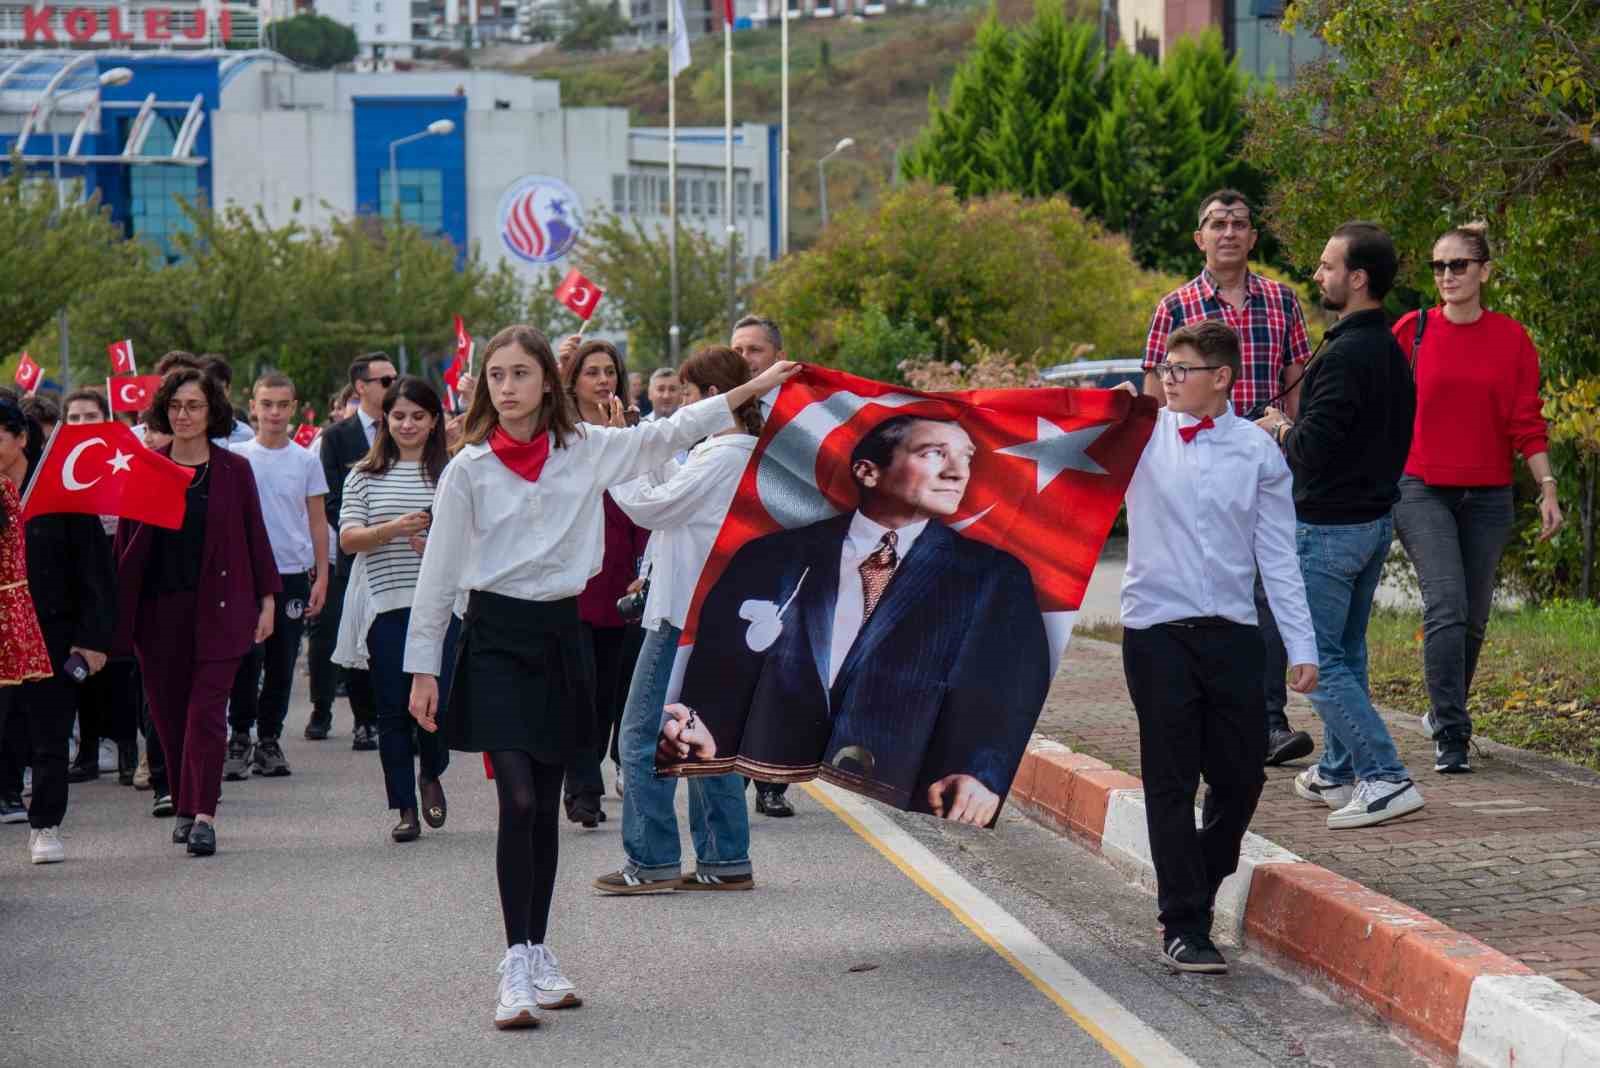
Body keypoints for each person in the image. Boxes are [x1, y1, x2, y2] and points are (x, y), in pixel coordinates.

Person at [403, 324, 796, 1030]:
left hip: (560, 636)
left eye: (521, 374)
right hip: (493, 637)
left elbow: (670, 433)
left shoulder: (585, 451)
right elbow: (437, 574)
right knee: (517, 800)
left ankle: (540, 948)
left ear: (545, 384)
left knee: (547, 801)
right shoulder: (469, 469)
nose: (508, 388)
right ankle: (514, 963)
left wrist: (752, 389)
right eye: (496, 376)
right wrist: (422, 666)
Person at [660, 415, 1050, 825]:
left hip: (908, 782)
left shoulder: (992, 575)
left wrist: (980, 774)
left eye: (965, 458)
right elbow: (718, 671)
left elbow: (1010, 690)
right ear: (867, 471)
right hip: (774, 751)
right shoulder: (771, 557)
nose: (957, 472)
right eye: (934, 453)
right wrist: (697, 728)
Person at [1115, 321, 1318, 974]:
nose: (1167, 379)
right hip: (1155, 633)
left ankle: (1200, 876)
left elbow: (1278, 556)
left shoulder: (1257, 453)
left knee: (1240, 775)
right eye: (1165, 368)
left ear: (1222, 378)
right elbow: (1059, 446)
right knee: (1170, 778)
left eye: (1181, 369)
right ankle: (1184, 922)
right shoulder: (1141, 437)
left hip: (1233, 635)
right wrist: (1107, 412)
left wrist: (1300, 644)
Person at [1255, 221, 1422, 830]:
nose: (1318, 276)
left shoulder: (1350, 354)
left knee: (1318, 661)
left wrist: (1276, 429)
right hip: (1369, 524)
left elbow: (1312, 450)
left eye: (1327, 267)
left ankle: (1385, 775)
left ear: (1357, 279)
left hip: (1327, 529)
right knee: (1346, 652)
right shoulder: (1384, 347)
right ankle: (1338, 768)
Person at [1143, 189, 1318, 769]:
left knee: (1267, 582)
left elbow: (1296, 379)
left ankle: (1267, 719)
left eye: (1239, 223)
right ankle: (1199, 708)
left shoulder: (1282, 301)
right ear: (1200, 237)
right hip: (1192, 464)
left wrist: (1285, 428)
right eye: (1216, 223)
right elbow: (1155, 399)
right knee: (1206, 583)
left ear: (1252, 237)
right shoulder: (1174, 306)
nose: (1228, 233)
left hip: (1258, 459)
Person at [1392, 226, 1563, 773]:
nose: (1447, 276)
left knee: (1473, 616)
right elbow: (1378, 402)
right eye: (1439, 266)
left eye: (1459, 265)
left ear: (1484, 271)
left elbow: (1526, 421)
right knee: (1446, 603)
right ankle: (1452, 732)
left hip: (1488, 492)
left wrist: (1547, 488)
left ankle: (1443, 709)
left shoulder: (1512, 338)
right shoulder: (1411, 331)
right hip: (1419, 487)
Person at [593, 346, 763, 895]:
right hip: (709, 612)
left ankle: (651, 861)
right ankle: (724, 859)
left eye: (688, 396)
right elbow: (674, 488)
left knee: (644, 735)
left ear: (713, 399)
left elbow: (655, 508)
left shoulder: (725, 453)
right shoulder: (732, 449)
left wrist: (620, 459)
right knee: (706, 735)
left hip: (682, 615)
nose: (681, 408)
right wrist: (636, 443)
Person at [113, 367, 280, 857]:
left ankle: (204, 814)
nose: (183, 415)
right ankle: (185, 805)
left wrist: (268, 600)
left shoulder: (234, 470)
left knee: (207, 714)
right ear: (164, 409)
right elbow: (126, 546)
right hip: (159, 614)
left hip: (223, 609)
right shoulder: (148, 466)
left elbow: (255, 536)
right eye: (176, 406)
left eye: (194, 406)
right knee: (168, 716)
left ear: (212, 412)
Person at [335, 376, 457, 842]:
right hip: (386, 606)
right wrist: (392, 529)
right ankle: (404, 805)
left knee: (436, 708)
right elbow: (349, 539)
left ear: (433, 421)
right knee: (391, 710)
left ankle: (432, 771)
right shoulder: (363, 474)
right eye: (399, 415)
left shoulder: (452, 472)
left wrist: (438, 545)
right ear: (385, 419)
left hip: (443, 607)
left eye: (418, 416)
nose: (407, 424)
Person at [224, 373, 330, 781]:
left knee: (282, 662)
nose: (273, 413)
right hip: (244, 576)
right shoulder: (237, 456)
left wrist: (321, 577)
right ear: (253, 406)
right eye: (266, 404)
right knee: (245, 660)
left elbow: (317, 522)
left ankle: (269, 739)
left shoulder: (305, 460)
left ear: (293, 408)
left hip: (290, 575)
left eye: (282, 405)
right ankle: (239, 736)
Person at [561, 340, 649, 828]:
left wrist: (644, 561)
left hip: (620, 581)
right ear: (572, 380)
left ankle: (591, 769)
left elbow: (644, 504)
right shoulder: (560, 438)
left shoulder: (631, 435)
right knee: (579, 687)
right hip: (572, 582)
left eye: (609, 372)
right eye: (591, 371)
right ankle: (583, 788)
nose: (602, 380)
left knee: (610, 691)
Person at [726, 313, 796, 817]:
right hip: (731, 559)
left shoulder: (799, 414)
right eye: (738, 350)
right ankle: (731, 769)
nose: (745, 359)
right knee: (737, 669)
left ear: (776, 356)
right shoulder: (717, 410)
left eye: (754, 350)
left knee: (781, 671)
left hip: (787, 554)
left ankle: (772, 779)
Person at [309, 354, 394, 747]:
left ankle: (397, 715)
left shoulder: (403, 429)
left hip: (402, 552)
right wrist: (367, 528)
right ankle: (364, 719)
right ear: (362, 387)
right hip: (354, 554)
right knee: (360, 636)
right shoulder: (337, 437)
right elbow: (329, 500)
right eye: (385, 380)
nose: (393, 385)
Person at [59, 389, 141, 788]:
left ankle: (128, 749)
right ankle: (88, 750)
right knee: (82, 661)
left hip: (119, 561)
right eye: (73, 418)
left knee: (121, 664)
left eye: (90, 416)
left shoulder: (124, 460)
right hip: (74, 572)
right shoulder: (56, 464)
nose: (81, 424)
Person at [0, 394, 61, 856]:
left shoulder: (51, 488)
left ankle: (45, 823)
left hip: (32, 625)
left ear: (22, 438)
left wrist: (94, 637)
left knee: (46, 729)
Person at [198, 354, 257, 445]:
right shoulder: (188, 432)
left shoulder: (245, 435)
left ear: (228, 389)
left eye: (219, 390)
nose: (213, 396)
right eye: (207, 390)